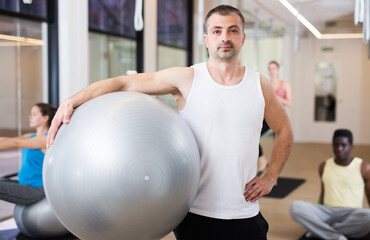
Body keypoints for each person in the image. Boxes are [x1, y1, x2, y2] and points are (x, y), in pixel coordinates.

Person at [47, 5, 293, 240]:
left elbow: (284, 131)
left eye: (232, 30)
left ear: (243, 37)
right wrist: (72, 100)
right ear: (207, 39)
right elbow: (124, 83)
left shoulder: (259, 85)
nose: (224, 37)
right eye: (217, 31)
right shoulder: (187, 79)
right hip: (194, 213)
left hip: (244, 212)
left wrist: (271, 176)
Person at [290, 129, 370, 240]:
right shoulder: (324, 165)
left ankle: (319, 231)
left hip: (351, 214)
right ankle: (335, 236)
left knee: (368, 217)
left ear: (351, 147)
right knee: (295, 207)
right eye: (336, 145)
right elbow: (323, 192)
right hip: (327, 212)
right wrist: (318, 211)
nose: (339, 149)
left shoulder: (364, 167)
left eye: (343, 145)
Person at [0, 103, 56, 205]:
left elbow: (16, 143)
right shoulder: (31, 136)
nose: (30, 117)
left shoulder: (46, 138)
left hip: (36, 189)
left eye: (34, 114)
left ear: (45, 118)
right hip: (24, 184)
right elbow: (8, 139)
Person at [257, 60, 293, 176]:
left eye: (274, 68)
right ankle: (262, 159)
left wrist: (275, 96)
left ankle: (274, 174)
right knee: (252, 136)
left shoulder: (285, 84)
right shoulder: (266, 84)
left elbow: (289, 103)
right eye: (270, 69)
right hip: (266, 116)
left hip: (280, 118)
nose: (272, 71)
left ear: (278, 70)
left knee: (278, 146)